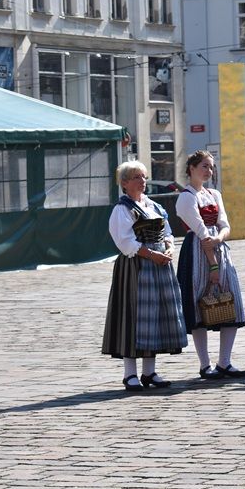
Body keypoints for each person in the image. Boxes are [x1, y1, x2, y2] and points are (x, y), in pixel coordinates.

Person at [103, 161, 187, 391]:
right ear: (125, 183)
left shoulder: (153, 206)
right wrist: (151, 254)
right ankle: (130, 374)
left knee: (155, 316)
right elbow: (125, 242)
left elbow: (167, 232)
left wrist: (169, 248)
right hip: (136, 268)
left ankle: (149, 372)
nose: (143, 181)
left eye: (144, 176)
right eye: (137, 177)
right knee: (133, 316)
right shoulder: (122, 210)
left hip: (159, 265)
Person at [175, 150, 245, 379]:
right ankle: (205, 364)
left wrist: (221, 238)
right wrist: (213, 265)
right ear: (192, 168)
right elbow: (201, 232)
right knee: (200, 304)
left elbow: (224, 223)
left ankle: (224, 361)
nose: (209, 171)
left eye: (211, 166)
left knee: (231, 299)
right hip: (198, 251)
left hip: (219, 247)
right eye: (205, 166)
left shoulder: (214, 194)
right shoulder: (186, 197)